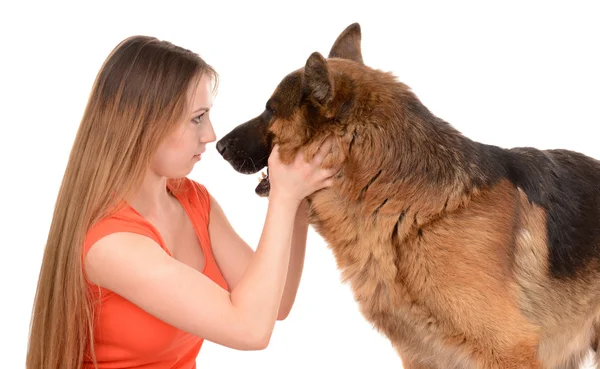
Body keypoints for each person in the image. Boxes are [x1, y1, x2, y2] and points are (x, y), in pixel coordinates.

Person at [26, 35, 338, 369]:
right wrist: (284, 197)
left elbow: (276, 304)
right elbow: (250, 330)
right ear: (144, 123)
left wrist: (299, 199)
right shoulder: (112, 244)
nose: (210, 134)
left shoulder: (193, 201)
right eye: (197, 118)